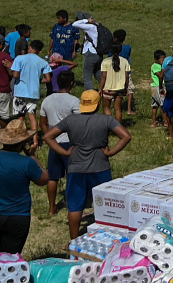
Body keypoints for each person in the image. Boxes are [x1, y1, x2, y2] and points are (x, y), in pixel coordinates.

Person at [43, 90, 131, 239]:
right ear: (97, 105)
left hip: (76, 166)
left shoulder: (70, 120)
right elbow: (126, 136)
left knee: (75, 205)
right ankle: (107, 236)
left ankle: (74, 238)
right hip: (100, 166)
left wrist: (64, 153)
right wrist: (111, 152)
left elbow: (47, 136)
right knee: (104, 203)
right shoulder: (106, 120)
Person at [0, 119, 47, 254]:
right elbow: (44, 179)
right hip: (18, 217)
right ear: (23, 143)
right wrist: (32, 156)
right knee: (11, 259)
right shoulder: (26, 163)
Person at [40, 71, 78, 215]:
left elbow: (43, 123)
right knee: (72, 176)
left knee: (53, 177)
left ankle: (52, 208)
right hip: (69, 143)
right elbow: (79, 122)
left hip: (54, 144)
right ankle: (72, 205)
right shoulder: (74, 101)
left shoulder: (47, 100)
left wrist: (49, 136)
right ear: (72, 84)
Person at [11, 40, 52, 132]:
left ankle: (21, 138)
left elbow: (16, 75)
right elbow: (48, 79)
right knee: (32, 116)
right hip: (34, 92)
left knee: (20, 116)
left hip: (20, 92)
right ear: (40, 51)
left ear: (30, 47)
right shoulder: (43, 62)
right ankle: (35, 140)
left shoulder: (19, 58)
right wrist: (38, 80)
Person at [99, 43, 131, 122]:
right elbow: (127, 76)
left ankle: (109, 125)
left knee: (106, 108)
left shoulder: (106, 61)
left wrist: (100, 88)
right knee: (118, 108)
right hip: (120, 88)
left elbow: (104, 76)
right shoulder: (125, 61)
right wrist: (126, 87)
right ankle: (118, 127)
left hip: (108, 88)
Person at [72, 13, 101, 90]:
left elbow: (75, 24)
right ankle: (107, 92)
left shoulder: (90, 27)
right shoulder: (97, 26)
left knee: (87, 77)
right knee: (98, 74)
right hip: (98, 54)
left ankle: (90, 96)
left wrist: (85, 20)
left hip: (91, 54)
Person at [150, 50, 165, 128]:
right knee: (162, 104)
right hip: (157, 87)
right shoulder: (155, 66)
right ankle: (166, 121)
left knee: (155, 105)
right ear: (156, 59)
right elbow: (160, 75)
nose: (163, 60)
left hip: (157, 87)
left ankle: (154, 122)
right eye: (161, 59)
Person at [0, 37, 12, 127]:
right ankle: (4, 134)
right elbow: (12, 73)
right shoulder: (5, 57)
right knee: (4, 115)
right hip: (3, 90)